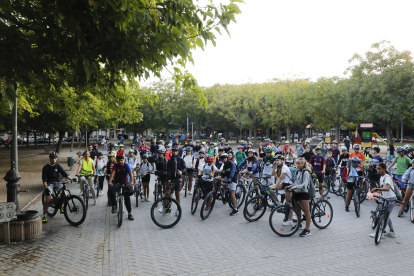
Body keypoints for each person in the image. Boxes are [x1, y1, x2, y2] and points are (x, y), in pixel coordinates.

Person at [41, 152, 73, 223]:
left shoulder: (58, 166)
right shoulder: (46, 167)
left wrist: (72, 179)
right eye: (52, 158)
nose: (54, 160)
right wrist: (46, 188)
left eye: (55, 158)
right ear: (50, 158)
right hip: (50, 183)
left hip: (58, 182)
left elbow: (65, 174)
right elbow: (44, 179)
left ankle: (60, 205)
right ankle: (44, 215)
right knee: (47, 200)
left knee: (65, 195)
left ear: (57, 158)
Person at [286, 157, 312, 237]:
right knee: (298, 211)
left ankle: (307, 230)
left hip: (303, 193)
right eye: (296, 163)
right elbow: (295, 182)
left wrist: (296, 186)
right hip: (296, 193)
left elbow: (305, 184)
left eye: (298, 163)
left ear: (303, 164)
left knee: (307, 212)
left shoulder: (306, 172)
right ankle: (299, 224)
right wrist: (290, 186)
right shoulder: (297, 172)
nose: (297, 165)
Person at [370, 162, 397, 238]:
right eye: (377, 169)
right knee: (386, 215)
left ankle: (380, 233)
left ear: (384, 169)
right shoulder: (381, 177)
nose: (378, 170)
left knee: (385, 216)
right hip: (385, 199)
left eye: (379, 169)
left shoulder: (387, 177)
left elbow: (387, 188)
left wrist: (376, 188)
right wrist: (374, 194)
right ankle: (391, 232)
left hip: (391, 200)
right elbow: (382, 189)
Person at [162, 146, 186, 216]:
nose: (175, 152)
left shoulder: (180, 160)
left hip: (178, 179)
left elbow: (184, 168)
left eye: (176, 151)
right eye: (173, 151)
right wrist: (169, 179)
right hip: (171, 179)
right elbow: (168, 170)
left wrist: (181, 172)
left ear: (177, 151)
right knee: (167, 193)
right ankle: (163, 206)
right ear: (171, 151)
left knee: (177, 195)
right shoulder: (169, 161)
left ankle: (178, 210)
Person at [108, 155, 134, 220]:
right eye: (119, 160)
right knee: (111, 191)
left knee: (127, 198)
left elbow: (131, 174)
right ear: (117, 161)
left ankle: (129, 213)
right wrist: (110, 182)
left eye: (121, 160)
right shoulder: (115, 165)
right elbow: (112, 174)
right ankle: (114, 205)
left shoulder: (126, 165)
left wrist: (132, 182)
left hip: (125, 182)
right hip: (117, 182)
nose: (120, 162)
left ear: (124, 160)